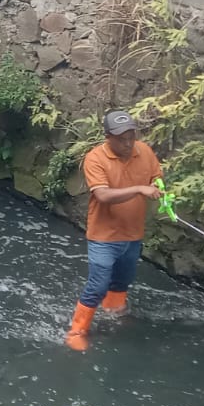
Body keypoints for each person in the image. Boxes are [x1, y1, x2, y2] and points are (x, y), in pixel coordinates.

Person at [65, 110, 163, 351]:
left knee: (123, 280)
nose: (128, 143)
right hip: (103, 237)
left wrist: (158, 188)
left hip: (133, 233)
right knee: (98, 285)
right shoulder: (95, 158)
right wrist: (140, 189)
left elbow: (156, 178)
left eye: (131, 136)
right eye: (121, 138)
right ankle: (77, 329)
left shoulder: (145, 151)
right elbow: (103, 195)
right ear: (108, 136)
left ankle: (114, 311)